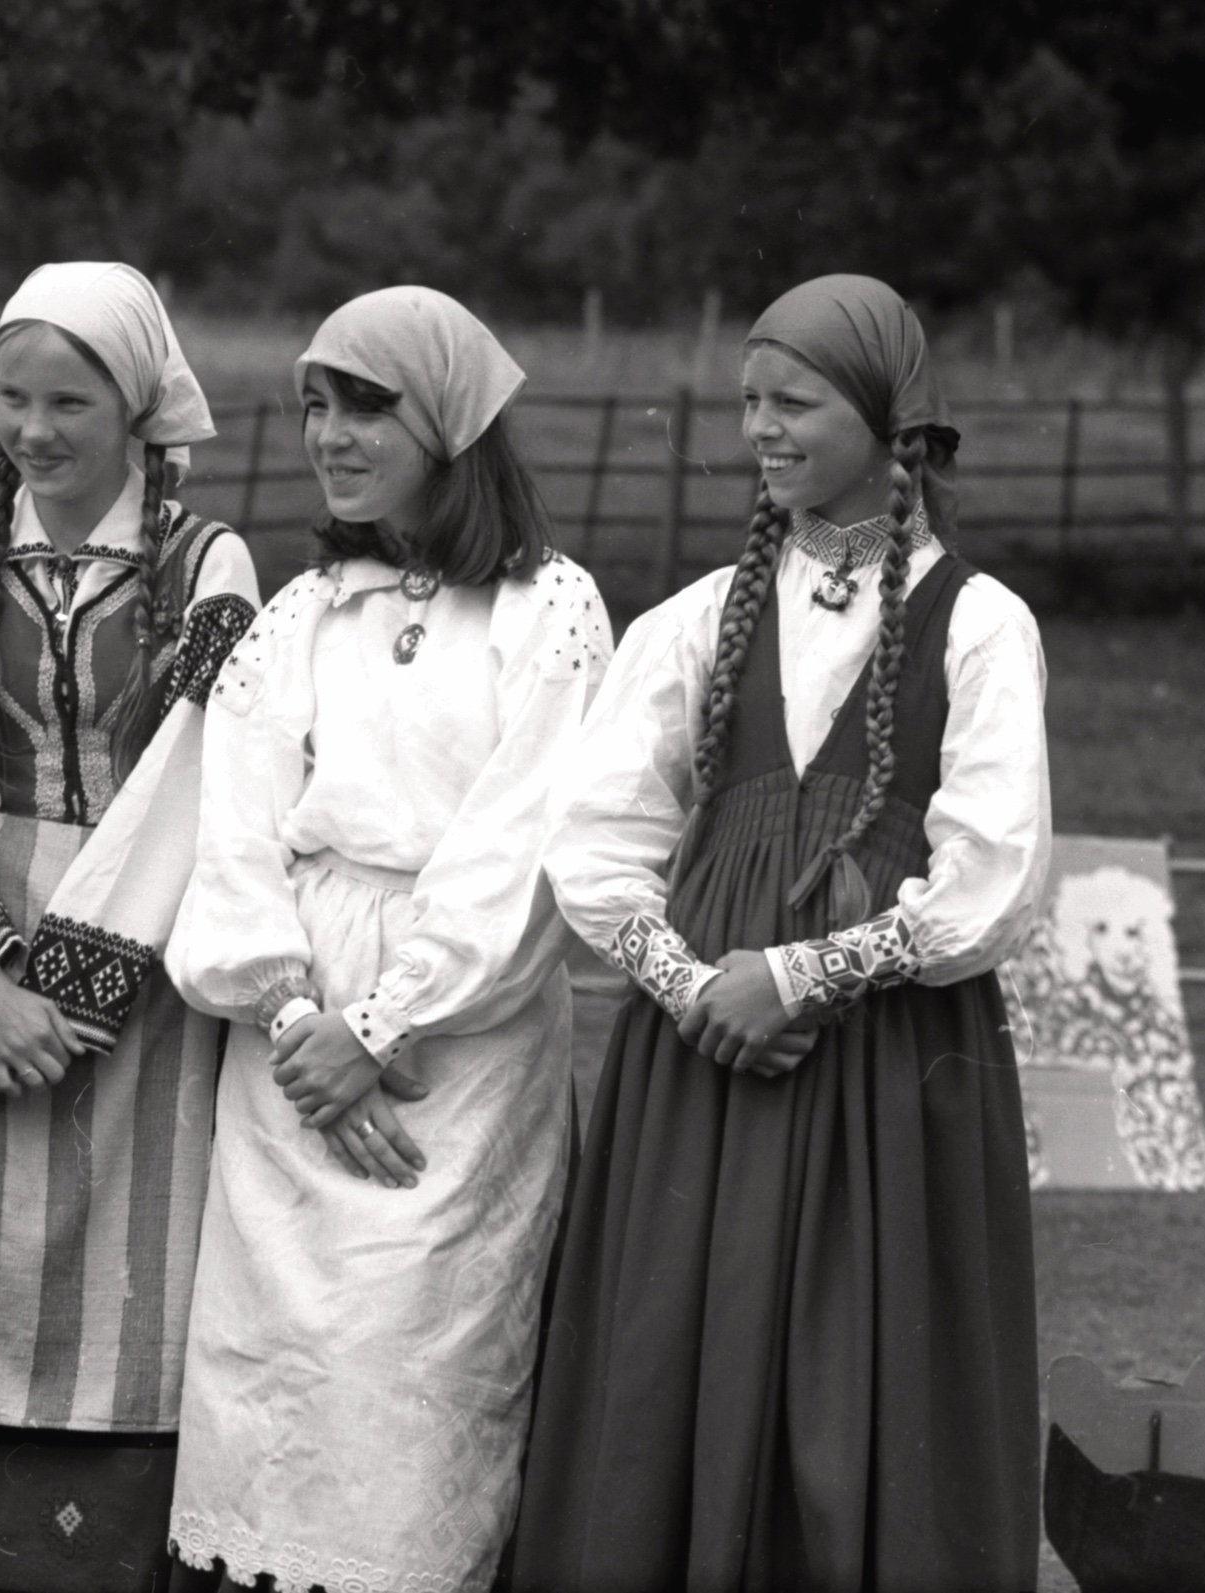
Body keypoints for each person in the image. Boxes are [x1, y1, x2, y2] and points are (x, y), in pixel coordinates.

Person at [511, 273, 1051, 1592]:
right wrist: (698, 987)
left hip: (884, 1067)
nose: (762, 424)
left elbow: (993, 873)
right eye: (750, 399)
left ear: (884, 415)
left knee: (866, 1374)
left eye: (794, 399)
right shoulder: (699, 618)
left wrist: (804, 974)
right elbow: (595, 839)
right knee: (673, 1357)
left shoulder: (976, 623)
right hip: (699, 1066)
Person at [163, 286, 609, 1593]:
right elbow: (236, 827)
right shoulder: (302, 613)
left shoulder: (552, 611)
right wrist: (300, 1020)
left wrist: (385, 1025)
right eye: (315, 403)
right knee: (269, 1382)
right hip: (287, 1044)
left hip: (458, 1053)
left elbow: (521, 849)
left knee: (415, 1378)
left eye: (367, 403)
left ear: (451, 420)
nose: (331, 432)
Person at [0, 262, 259, 1593]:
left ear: (140, 400)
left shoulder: (203, 559)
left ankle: (116, 1556)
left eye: (70, 398)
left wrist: (79, 983)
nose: (35, 428)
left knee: (133, 1242)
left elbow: (198, 771)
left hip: (147, 937)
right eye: (14, 395)